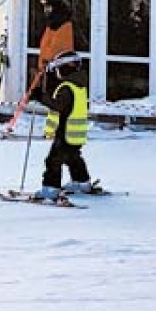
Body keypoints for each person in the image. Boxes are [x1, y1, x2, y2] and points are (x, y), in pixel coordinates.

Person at [31, 50, 94, 201]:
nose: (57, 73)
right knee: (73, 158)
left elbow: (58, 106)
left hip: (65, 132)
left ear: (65, 68)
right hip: (76, 133)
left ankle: (51, 188)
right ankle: (81, 182)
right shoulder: (79, 86)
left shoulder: (67, 87)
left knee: (53, 160)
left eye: (58, 69)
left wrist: (40, 97)